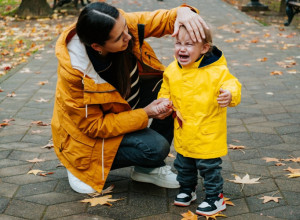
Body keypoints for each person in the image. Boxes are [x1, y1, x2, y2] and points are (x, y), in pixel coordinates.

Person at [51, 2, 208, 194]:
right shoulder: (76, 75)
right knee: (155, 148)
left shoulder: (121, 26)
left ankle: (147, 170)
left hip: (122, 109)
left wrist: (184, 12)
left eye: (125, 27)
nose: (128, 36)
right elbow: (94, 126)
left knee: (172, 93)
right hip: (85, 139)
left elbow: (163, 20)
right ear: (97, 46)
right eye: (119, 38)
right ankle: (80, 167)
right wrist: (146, 113)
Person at [157, 25, 242, 216]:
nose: (182, 48)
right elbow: (166, 89)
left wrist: (229, 94)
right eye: (178, 43)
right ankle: (188, 190)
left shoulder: (217, 70)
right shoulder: (172, 69)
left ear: (204, 48)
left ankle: (215, 198)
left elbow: (232, 84)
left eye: (189, 44)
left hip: (207, 132)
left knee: (209, 168)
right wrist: (164, 100)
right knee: (183, 164)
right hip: (184, 130)